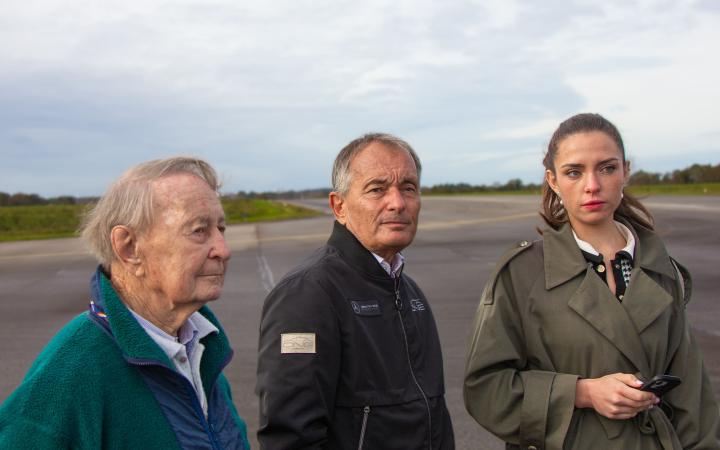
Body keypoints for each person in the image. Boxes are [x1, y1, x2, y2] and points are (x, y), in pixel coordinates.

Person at [463, 113, 720, 449]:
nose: (592, 185)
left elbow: (693, 398)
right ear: (553, 181)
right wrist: (581, 393)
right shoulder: (521, 275)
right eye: (574, 172)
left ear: (625, 171)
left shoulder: (663, 271)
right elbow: (486, 390)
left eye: (607, 168)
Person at [0, 157, 250, 449]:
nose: (223, 250)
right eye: (199, 231)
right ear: (129, 248)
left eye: (221, 228)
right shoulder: (72, 371)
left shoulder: (203, 349)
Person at [256, 133, 455, 449]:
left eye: (409, 188)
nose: (398, 203)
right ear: (339, 206)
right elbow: (292, 437)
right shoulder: (307, 295)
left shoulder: (410, 292)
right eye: (377, 189)